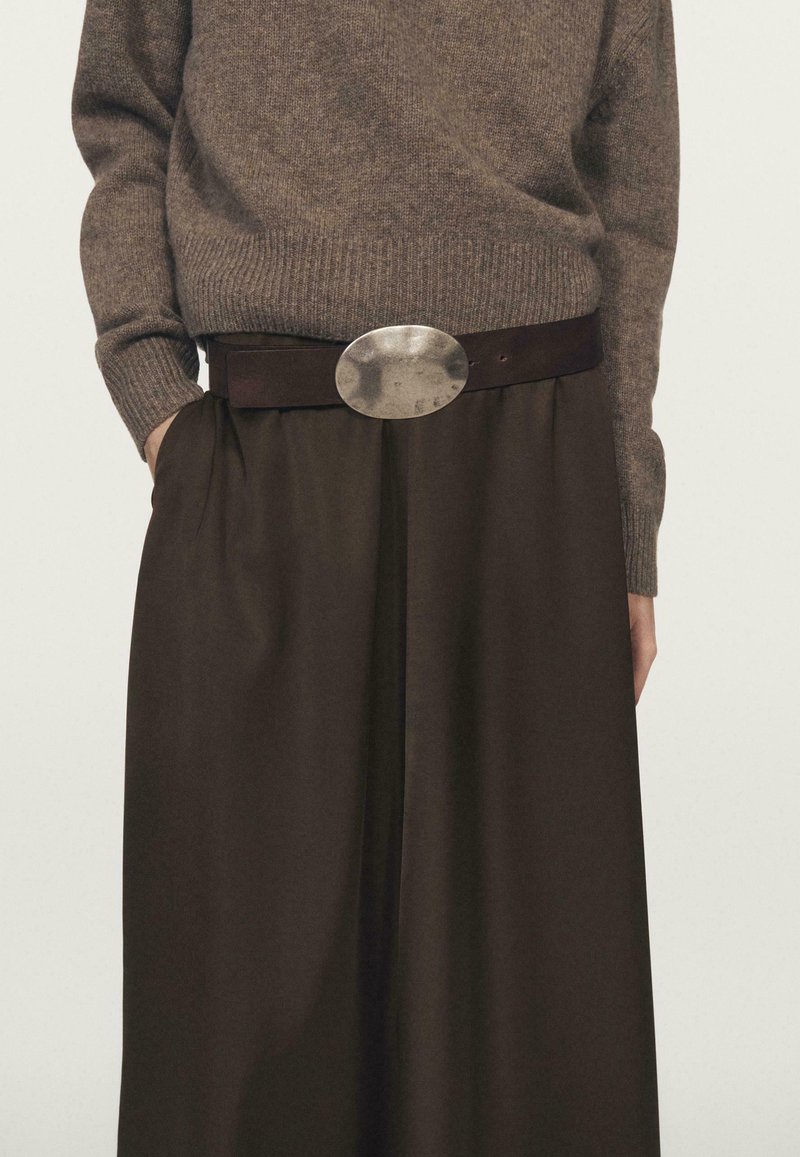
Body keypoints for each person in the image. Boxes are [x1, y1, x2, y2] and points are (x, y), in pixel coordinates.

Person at [71, 0, 679, 1152]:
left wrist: (620, 513)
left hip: (534, 458)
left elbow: (630, 187)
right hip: (262, 448)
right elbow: (124, 111)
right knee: (245, 1002)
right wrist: (157, 399)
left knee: (528, 1025)